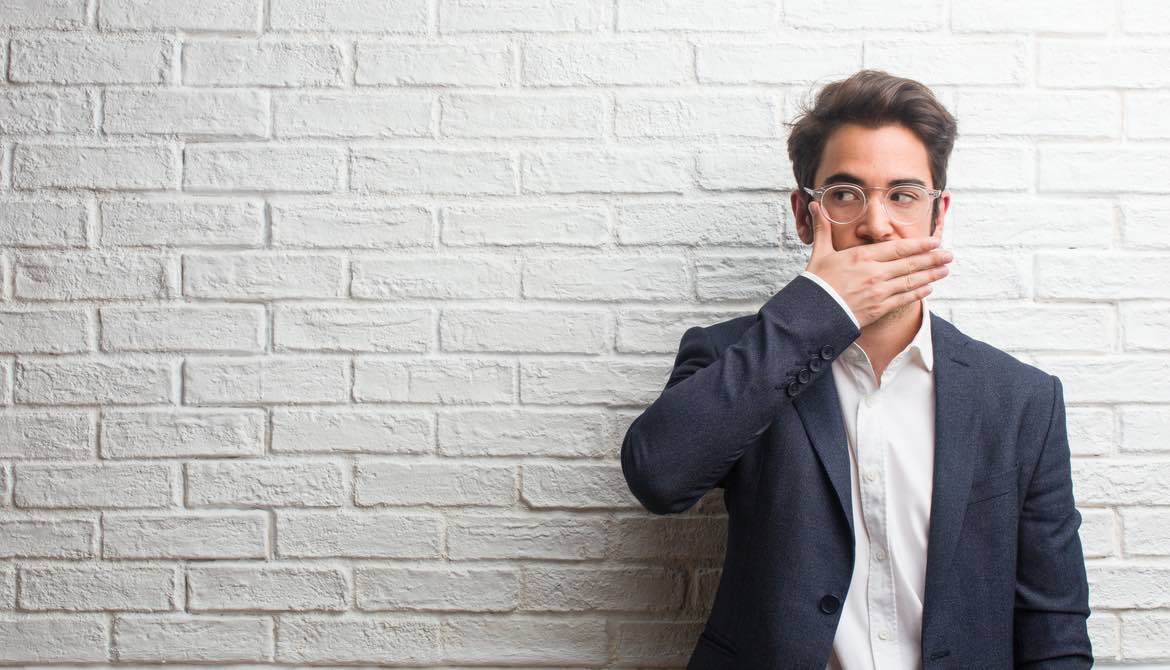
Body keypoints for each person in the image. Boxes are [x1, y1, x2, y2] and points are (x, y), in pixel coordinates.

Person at [620, 69, 1091, 669]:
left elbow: (1054, 627)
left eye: (902, 194)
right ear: (802, 214)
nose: (875, 224)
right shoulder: (735, 358)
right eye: (845, 194)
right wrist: (818, 307)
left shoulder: (1022, 399)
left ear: (937, 215)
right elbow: (658, 478)